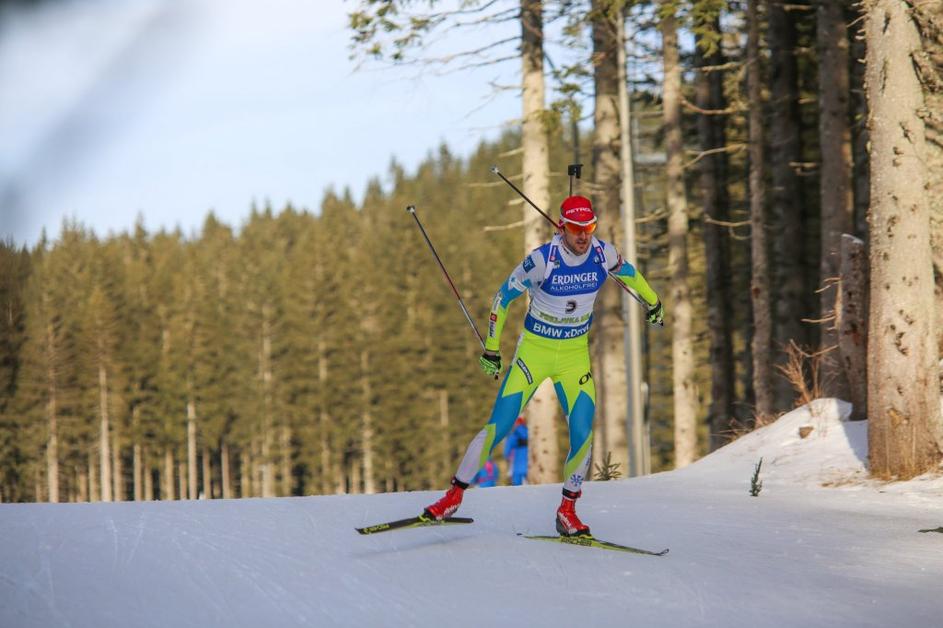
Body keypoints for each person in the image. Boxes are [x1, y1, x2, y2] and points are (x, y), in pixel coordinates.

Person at [424, 194, 663, 537]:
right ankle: (453, 497)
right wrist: (492, 349)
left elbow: (632, 275)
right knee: (499, 426)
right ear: (562, 227)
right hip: (533, 354)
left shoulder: (602, 253)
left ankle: (567, 511)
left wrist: (654, 303)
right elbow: (502, 297)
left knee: (582, 432)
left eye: (590, 227)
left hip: (574, 357)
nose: (584, 236)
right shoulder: (542, 260)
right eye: (577, 229)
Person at [504, 417, 528, 486]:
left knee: (517, 487)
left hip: (517, 465)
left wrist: (507, 457)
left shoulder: (513, 435)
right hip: (529, 465)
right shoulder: (530, 432)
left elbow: (506, 451)